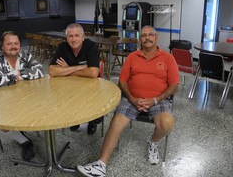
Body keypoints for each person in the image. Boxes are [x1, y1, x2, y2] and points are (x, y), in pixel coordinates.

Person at [77, 25, 179, 176]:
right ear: (140, 40)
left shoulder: (168, 58)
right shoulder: (132, 57)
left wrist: (155, 100)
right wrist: (132, 99)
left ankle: (153, 142)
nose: (147, 38)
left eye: (150, 35)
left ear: (156, 38)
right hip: (132, 98)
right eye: (143, 36)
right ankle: (101, 164)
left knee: (167, 123)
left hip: (158, 100)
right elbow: (122, 81)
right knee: (116, 122)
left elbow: (174, 85)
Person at [0, 30, 44, 161]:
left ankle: (23, 125)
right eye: (9, 44)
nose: (13, 46)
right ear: (2, 46)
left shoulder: (24, 54)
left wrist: (18, 73)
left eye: (16, 43)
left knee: (42, 106)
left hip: (25, 95)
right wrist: (17, 76)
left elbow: (40, 70)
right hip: (1, 99)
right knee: (2, 123)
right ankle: (25, 142)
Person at [49, 23, 102, 135]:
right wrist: (79, 67)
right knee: (65, 98)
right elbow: (52, 71)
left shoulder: (91, 46)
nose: (74, 39)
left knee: (94, 108)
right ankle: (74, 118)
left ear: (83, 37)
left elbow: (93, 73)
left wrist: (67, 69)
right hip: (70, 87)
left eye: (77, 35)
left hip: (90, 86)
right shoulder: (62, 47)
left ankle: (92, 122)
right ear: (66, 38)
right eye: (70, 36)